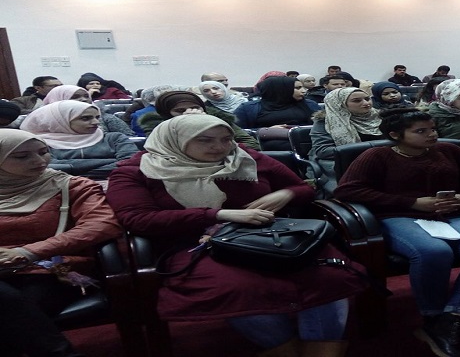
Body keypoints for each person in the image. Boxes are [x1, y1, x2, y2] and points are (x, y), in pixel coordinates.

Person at [106, 114, 366, 357]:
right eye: (205, 140)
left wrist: (285, 194)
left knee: (329, 275)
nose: (219, 147)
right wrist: (218, 215)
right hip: (195, 244)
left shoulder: (246, 157)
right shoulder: (136, 171)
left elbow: (302, 188)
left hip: (270, 234)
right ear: (176, 140)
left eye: (226, 139)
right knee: (237, 288)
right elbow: (138, 219)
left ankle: (321, 351)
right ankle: (285, 349)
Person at [333, 108, 460, 357]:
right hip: (399, 216)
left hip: (450, 214)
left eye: (432, 129)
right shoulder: (377, 155)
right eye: (421, 131)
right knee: (434, 251)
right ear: (395, 135)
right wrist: (411, 202)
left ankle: (452, 318)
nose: (431, 135)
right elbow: (347, 191)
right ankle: (432, 315)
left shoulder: (448, 150)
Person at [0, 129, 122, 357]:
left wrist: (28, 251)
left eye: (43, 152)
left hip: (50, 270)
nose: (39, 161)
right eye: (22, 156)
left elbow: (102, 225)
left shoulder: (71, 186)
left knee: (11, 309)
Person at [20, 101, 138, 179]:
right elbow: (49, 168)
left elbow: (131, 163)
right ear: (61, 121)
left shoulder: (114, 138)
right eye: (85, 118)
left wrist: (76, 174)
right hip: (60, 188)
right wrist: (111, 162)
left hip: (115, 182)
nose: (96, 122)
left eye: (97, 117)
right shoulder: (39, 143)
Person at [139, 91, 259, 150]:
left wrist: (208, 122)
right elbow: (160, 150)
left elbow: (252, 144)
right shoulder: (156, 124)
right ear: (166, 113)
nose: (189, 112)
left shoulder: (218, 118)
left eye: (195, 108)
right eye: (180, 111)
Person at [42, 85, 136, 136]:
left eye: (86, 96)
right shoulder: (44, 123)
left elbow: (130, 139)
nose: (83, 100)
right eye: (75, 97)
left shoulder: (105, 117)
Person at [234, 76, 320, 129]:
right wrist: (265, 131)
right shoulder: (248, 108)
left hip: (305, 144)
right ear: (281, 90)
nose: (303, 91)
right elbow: (237, 132)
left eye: (302, 87)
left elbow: (322, 128)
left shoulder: (310, 105)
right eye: (297, 88)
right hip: (264, 147)